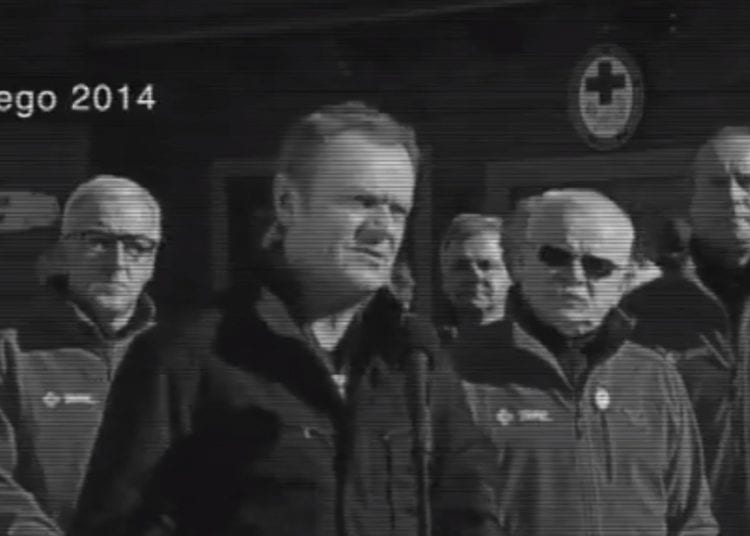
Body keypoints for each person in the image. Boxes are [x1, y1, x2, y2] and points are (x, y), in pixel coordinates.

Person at [70, 102, 502, 536]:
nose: (383, 229)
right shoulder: (187, 356)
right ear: (288, 202)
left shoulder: (415, 360)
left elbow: (470, 509)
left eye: (397, 210)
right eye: (362, 201)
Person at [453, 188, 717, 536]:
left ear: (624, 281)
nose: (575, 275)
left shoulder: (654, 377)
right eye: (555, 256)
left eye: (597, 266)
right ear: (519, 263)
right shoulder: (461, 370)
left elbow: (692, 518)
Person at [0, 175, 161, 535]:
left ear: (153, 261)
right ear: (63, 251)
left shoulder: (179, 358)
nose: (118, 262)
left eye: (137, 245)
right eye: (98, 241)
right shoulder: (11, 356)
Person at [624, 126, 750, 535]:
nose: (733, 196)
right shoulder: (638, 314)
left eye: (746, 181)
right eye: (717, 183)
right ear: (692, 196)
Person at [437, 213, 510, 344]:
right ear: (445, 279)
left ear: (511, 274)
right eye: (461, 266)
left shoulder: (530, 351)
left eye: (486, 266)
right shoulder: (429, 349)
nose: (475, 276)